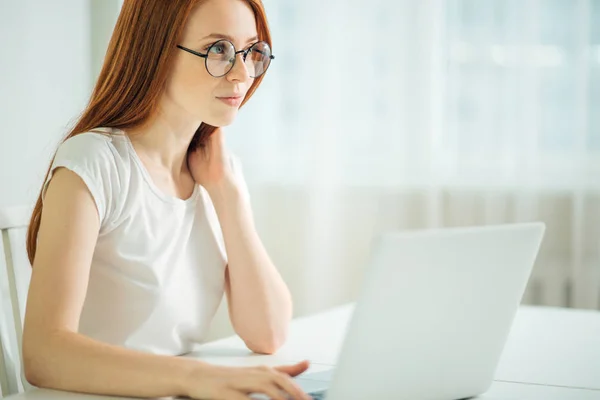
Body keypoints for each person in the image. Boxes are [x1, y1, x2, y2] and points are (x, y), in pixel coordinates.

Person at [22, 0, 312, 399]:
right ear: (155, 52)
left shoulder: (216, 173)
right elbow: (43, 353)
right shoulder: (95, 161)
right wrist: (193, 377)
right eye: (219, 50)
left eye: (250, 51)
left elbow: (269, 333)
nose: (243, 73)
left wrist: (229, 196)